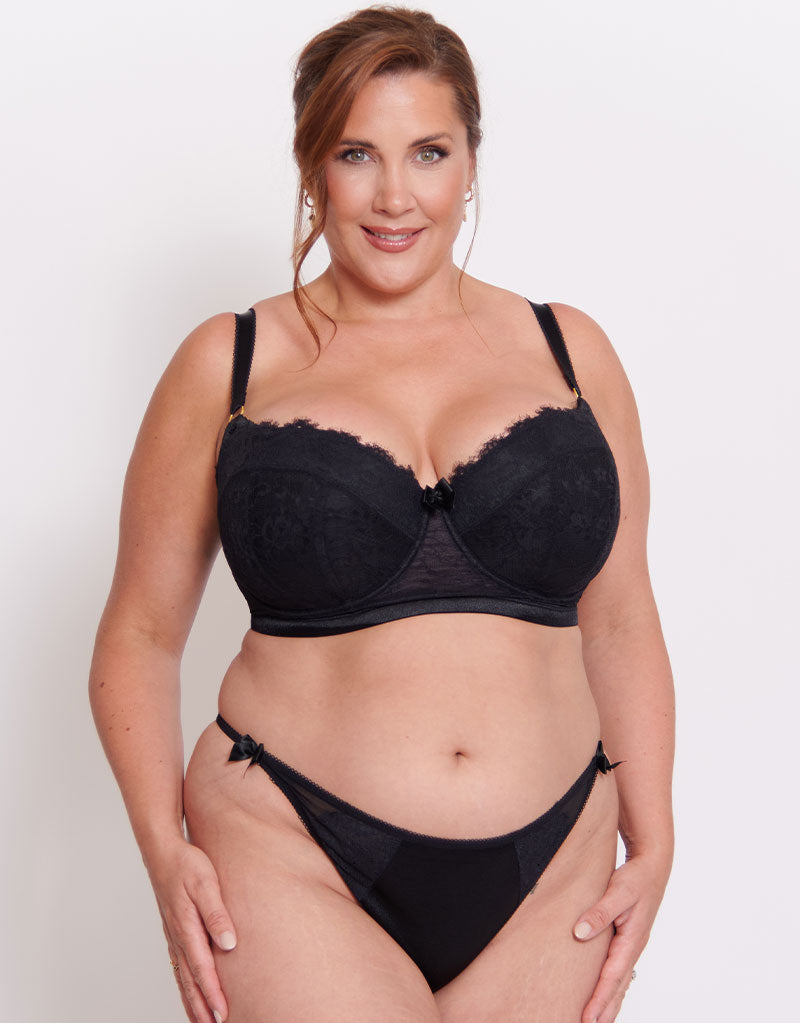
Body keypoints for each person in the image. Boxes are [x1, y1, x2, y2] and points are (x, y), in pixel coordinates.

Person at [89, 6, 675, 1022]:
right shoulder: (230, 362)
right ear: (311, 165)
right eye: (357, 154)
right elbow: (139, 632)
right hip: (288, 845)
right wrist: (161, 846)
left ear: (470, 163)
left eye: (428, 153)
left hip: (556, 863)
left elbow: (620, 615)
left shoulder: (568, 351)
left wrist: (654, 835)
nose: (394, 196)